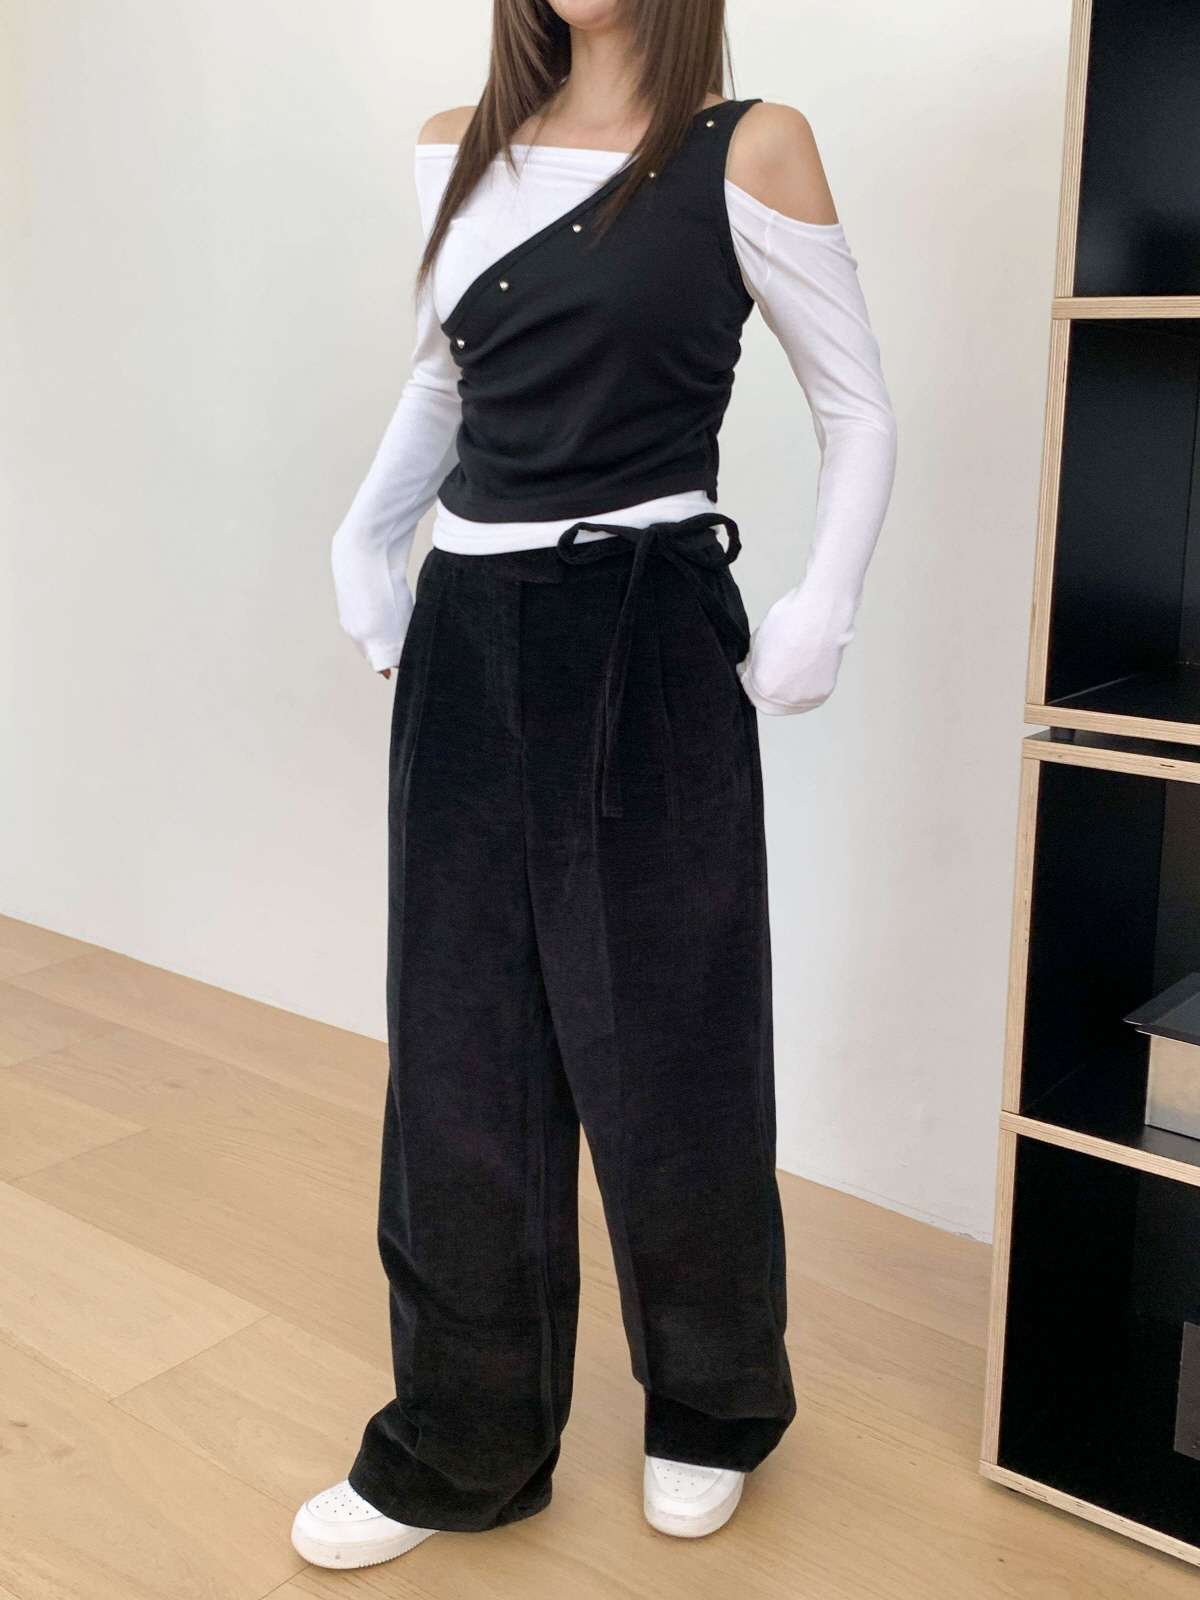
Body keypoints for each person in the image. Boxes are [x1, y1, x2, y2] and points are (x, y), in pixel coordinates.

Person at [292, 0, 897, 1571]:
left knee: (670, 1041)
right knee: (459, 1049)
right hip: (470, 630)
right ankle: (463, 1439)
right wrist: (364, 538)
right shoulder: (454, 148)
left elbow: (856, 406)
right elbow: (448, 380)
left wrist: (822, 605)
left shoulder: (747, 149)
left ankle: (711, 1403)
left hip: (645, 628)